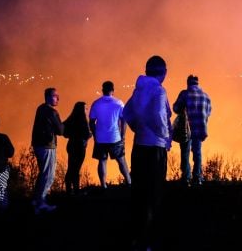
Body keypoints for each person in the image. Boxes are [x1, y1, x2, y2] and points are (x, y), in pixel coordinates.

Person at [123, 56, 172, 250]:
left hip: (139, 147)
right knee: (154, 193)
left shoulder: (139, 89)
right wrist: (165, 138)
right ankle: (150, 239)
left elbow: (127, 113)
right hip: (155, 149)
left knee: (139, 192)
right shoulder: (159, 90)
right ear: (164, 72)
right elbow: (159, 116)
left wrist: (138, 128)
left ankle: (137, 237)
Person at [90, 81, 131, 188]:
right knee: (121, 160)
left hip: (100, 138)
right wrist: (122, 135)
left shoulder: (96, 103)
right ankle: (129, 182)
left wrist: (95, 136)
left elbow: (91, 122)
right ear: (113, 90)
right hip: (115, 137)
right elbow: (124, 120)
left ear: (102, 90)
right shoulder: (118, 103)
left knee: (102, 161)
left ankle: (103, 185)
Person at [173, 75, 212, 186]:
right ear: (197, 83)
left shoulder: (184, 94)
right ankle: (197, 178)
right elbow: (208, 112)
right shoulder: (206, 96)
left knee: (185, 153)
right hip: (200, 129)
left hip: (186, 129)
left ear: (188, 83)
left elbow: (176, 108)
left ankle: (186, 178)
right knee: (197, 153)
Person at [31, 87, 64, 214]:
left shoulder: (40, 108)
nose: (58, 98)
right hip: (47, 146)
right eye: (56, 96)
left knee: (42, 173)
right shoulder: (52, 112)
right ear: (49, 97)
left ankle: (36, 199)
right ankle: (41, 203)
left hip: (38, 145)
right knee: (48, 175)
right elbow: (60, 130)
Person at [63, 102, 91, 195]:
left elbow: (64, 131)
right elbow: (87, 134)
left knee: (71, 167)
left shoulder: (71, 119)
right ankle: (76, 190)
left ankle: (69, 189)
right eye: (86, 108)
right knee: (76, 168)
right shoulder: (83, 121)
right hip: (79, 146)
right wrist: (90, 133)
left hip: (71, 145)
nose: (87, 110)